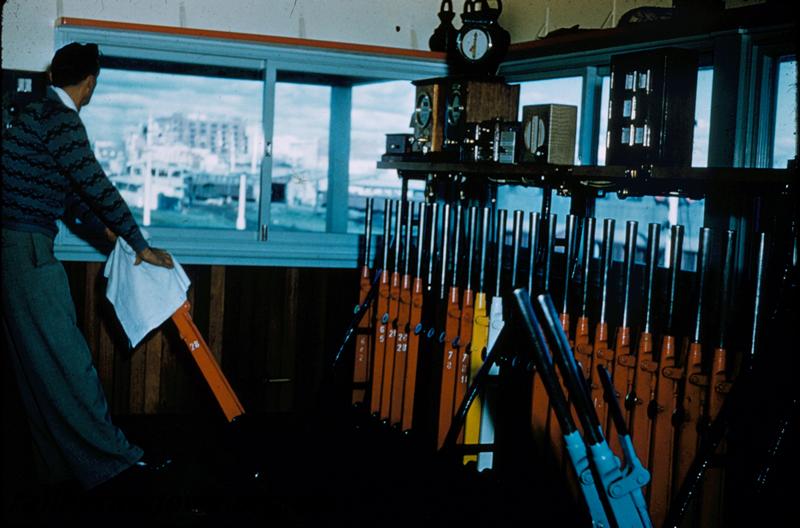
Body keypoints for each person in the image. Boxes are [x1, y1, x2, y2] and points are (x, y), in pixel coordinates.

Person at [1, 42, 174, 495]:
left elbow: (69, 190)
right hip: (27, 250)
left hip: (11, 248)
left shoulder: (35, 114)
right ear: (90, 82)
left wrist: (106, 232)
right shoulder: (62, 120)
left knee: (35, 368)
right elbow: (94, 183)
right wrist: (141, 244)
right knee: (70, 362)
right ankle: (117, 463)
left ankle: (58, 469)